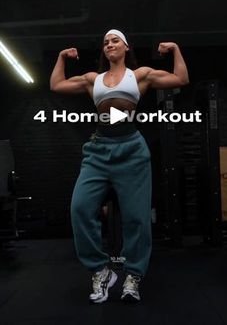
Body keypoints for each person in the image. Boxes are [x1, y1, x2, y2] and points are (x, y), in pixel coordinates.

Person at [50, 29, 189, 304]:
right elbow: (57, 85)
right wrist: (61, 56)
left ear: (126, 47)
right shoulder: (94, 79)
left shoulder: (140, 75)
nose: (109, 44)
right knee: (80, 208)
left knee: (136, 218)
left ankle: (133, 276)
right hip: (99, 149)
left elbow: (181, 78)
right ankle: (101, 270)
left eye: (115, 40)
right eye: (105, 42)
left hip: (131, 149)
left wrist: (174, 49)